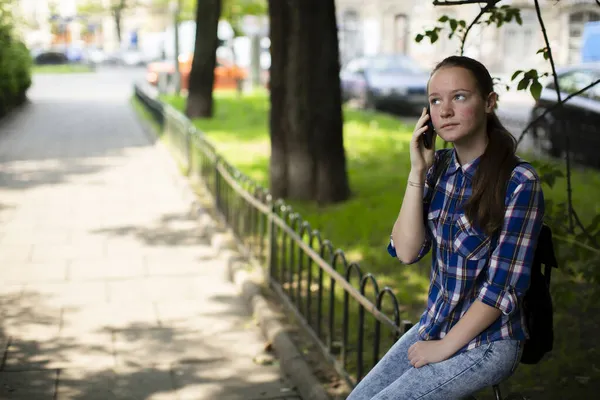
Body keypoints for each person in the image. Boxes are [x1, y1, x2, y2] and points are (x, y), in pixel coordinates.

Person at [346, 55, 545, 400]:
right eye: (436, 100)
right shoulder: (437, 168)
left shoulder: (518, 182)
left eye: (460, 97)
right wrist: (417, 172)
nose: (445, 110)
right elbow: (407, 252)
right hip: (436, 324)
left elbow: (501, 290)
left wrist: (442, 348)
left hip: (487, 342)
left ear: (489, 102)